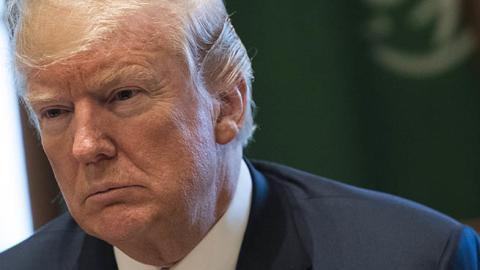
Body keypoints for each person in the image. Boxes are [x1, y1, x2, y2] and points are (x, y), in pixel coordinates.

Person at [1, 0, 479, 269]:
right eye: (56, 111)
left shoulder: (414, 259)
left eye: (123, 95)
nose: (85, 146)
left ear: (227, 104)